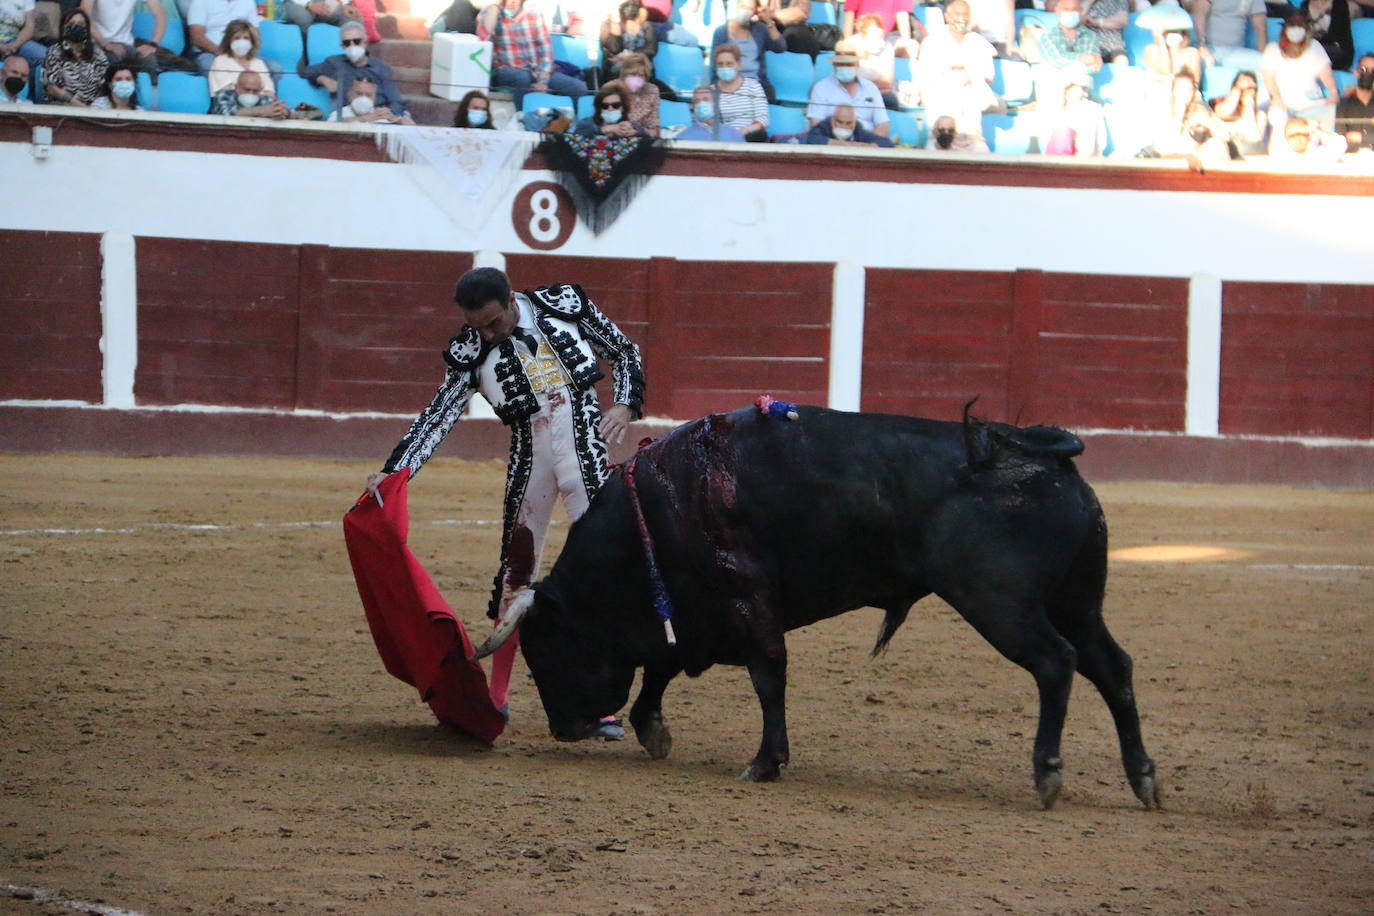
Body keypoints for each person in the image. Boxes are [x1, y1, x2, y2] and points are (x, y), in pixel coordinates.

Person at [366, 267, 645, 732]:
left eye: (494, 322)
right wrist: (396, 471)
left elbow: (624, 350)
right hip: (529, 454)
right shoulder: (470, 349)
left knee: (602, 573)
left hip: (585, 444)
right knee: (516, 572)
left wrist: (624, 403)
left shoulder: (563, 304)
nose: (488, 334)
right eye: (478, 327)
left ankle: (600, 702)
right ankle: (497, 695)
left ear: (512, 298)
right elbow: (439, 415)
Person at [477, 0, 587, 108]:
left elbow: (545, 50)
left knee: (578, 88)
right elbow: (484, 39)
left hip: (536, 70)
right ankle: (521, 116)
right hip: (506, 69)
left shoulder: (534, 14)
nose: (512, 2)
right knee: (522, 78)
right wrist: (495, 8)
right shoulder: (490, 12)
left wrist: (542, 81)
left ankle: (571, 122)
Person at [917, 0, 1000, 139]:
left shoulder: (978, 42)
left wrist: (964, 72)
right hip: (939, 93)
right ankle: (942, 141)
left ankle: (972, 141)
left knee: (970, 96)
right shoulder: (932, 41)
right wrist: (958, 71)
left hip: (970, 93)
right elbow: (927, 75)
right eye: (957, 13)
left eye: (965, 14)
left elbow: (988, 76)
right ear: (947, 17)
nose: (962, 17)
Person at [300, 20, 408, 120]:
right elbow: (305, 71)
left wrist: (388, 112)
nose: (352, 46)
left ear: (365, 42)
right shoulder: (334, 62)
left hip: (377, 116)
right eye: (347, 43)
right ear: (342, 46)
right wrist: (322, 79)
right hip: (347, 117)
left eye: (356, 41)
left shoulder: (382, 68)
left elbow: (396, 101)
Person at [1261, 11, 1337, 130]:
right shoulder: (1272, 49)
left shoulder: (1314, 46)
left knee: (1331, 108)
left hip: (1312, 104)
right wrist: (1275, 96)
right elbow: (1268, 77)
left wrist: (1333, 91)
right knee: (1276, 114)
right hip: (1284, 105)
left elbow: (1326, 74)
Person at [806, 41, 889, 137]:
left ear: (857, 65)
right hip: (832, 141)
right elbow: (816, 124)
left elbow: (883, 124)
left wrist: (871, 145)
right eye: (841, 64)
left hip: (867, 141)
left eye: (849, 64)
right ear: (834, 65)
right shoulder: (821, 88)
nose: (845, 68)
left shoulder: (871, 88)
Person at [1035, 0, 1102, 116]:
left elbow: (1094, 67)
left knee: (1078, 95)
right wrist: (1082, 59)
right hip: (1054, 89)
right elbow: (1057, 59)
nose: (1070, 13)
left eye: (1074, 10)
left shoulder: (1091, 36)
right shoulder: (1048, 36)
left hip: (1080, 89)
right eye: (1066, 9)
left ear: (1080, 11)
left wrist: (1079, 65)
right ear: (1057, 11)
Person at [711, 0, 785, 101]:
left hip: (756, 83)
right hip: (729, 82)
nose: (745, 11)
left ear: (755, 12)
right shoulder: (721, 32)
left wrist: (768, 22)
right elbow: (714, 65)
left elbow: (780, 47)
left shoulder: (759, 29)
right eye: (743, 6)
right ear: (736, 6)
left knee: (769, 93)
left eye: (749, 9)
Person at [82, 0, 165, 83]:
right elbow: (84, 16)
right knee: (113, 61)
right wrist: (105, 44)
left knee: (149, 60)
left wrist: (153, 44)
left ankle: (146, 94)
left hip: (127, 44)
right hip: (99, 42)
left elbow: (160, 15)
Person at [42, 8, 111, 106]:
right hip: (61, 106)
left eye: (81, 24)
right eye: (72, 23)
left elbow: (102, 86)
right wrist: (79, 106)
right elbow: (51, 88)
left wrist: (93, 107)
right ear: (63, 27)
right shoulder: (54, 52)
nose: (76, 27)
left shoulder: (98, 53)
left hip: (92, 108)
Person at [711, 41, 770, 140]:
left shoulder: (753, 86)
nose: (724, 67)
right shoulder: (711, 91)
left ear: (738, 64)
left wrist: (744, 131)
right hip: (724, 138)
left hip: (751, 136)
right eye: (720, 64)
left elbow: (763, 118)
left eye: (729, 64)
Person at [187, 0, 260, 76]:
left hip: (242, 53)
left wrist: (245, 55)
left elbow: (255, 34)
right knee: (210, 66)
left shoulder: (248, 2)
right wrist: (225, 54)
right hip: (209, 53)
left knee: (271, 67)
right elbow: (197, 37)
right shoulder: (200, 2)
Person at [1191, 0, 1267, 69]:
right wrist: (1202, 47)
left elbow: (1260, 28)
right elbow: (1199, 15)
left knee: (1267, 64)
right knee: (1198, 62)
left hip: (1238, 52)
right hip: (1210, 48)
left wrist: (1264, 57)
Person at [1043, 74, 1107, 156]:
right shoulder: (1057, 111)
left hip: (1083, 158)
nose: (1075, 93)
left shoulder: (1090, 110)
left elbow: (1097, 143)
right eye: (1071, 90)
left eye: (1080, 89)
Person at [206, 19, 274, 96]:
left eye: (246, 38)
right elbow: (225, 92)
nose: (242, 42)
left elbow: (269, 92)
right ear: (229, 40)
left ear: (252, 41)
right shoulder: (220, 61)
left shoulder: (259, 63)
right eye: (237, 38)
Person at [1211, 69, 1268, 156]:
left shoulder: (1259, 115)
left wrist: (1249, 109)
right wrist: (1238, 89)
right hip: (1224, 152)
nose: (1244, 91)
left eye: (1250, 88)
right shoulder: (1219, 105)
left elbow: (1254, 139)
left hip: (1250, 154)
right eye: (1241, 88)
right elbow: (1225, 112)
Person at [600, 0, 657, 83]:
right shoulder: (608, 24)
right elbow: (614, 49)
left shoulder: (646, 25)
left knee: (667, 93)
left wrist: (628, 56)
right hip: (616, 73)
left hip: (641, 71)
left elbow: (652, 50)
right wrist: (615, 24)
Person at [328, 72, 415, 122]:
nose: (363, 98)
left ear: (374, 96)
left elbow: (413, 129)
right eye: (359, 93)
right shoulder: (339, 114)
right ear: (349, 94)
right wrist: (364, 118)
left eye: (368, 95)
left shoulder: (381, 114)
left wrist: (396, 118)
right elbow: (331, 126)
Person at [571, 80, 646, 136]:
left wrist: (635, 133)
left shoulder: (632, 125)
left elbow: (647, 139)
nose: (610, 109)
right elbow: (575, 137)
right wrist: (604, 129)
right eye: (605, 106)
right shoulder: (587, 123)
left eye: (616, 105)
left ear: (623, 107)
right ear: (599, 108)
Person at [613, 51, 661, 135]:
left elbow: (655, 131)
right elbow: (601, 125)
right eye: (632, 74)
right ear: (624, 74)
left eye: (641, 75)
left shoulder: (652, 90)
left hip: (641, 139)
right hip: (615, 139)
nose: (636, 79)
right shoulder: (612, 88)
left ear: (646, 77)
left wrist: (637, 132)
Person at [804, 100, 894, 145]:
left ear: (854, 123)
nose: (844, 126)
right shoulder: (823, 127)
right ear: (832, 120)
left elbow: (886, 143)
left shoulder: (858, 131)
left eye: (848, 123)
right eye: (840, 122)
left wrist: (867, 147)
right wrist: (844, 145)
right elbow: (811, 139)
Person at [677, 83, 747, 140]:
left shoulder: (733, 134)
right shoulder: (683, 137)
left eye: (705, 99)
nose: (701, 104)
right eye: (697, 101)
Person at [211, 67, 290, 116]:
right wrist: (261, 110)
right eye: (247, 90)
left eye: (255, 91)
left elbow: (275, 110)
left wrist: (283, 113)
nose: (251, 94)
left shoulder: (265, 99)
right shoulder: (223, 95)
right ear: (236, 87)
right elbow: (227, 114)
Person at [1335, 52, 1374, 151]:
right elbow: (1340, 138)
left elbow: (1350, 137)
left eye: (1373, 71)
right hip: (1351, 159)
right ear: (1356, 72)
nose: (1368, 74)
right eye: (1363, 69)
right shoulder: (1343, 103)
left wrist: (1360, 137)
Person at [0, 0, 49, 76]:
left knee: (48, 58)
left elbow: (29, 26)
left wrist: (14, 46)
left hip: (13, 41)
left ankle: (28, 84)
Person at [1304, 0, 1354, 72]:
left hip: (1336, 48)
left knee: (1310, 52)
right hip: (1314, 47)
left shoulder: (1339, 4)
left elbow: (1335, 34)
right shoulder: (1305, 5)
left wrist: (1314, 42)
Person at [1268, 114, 1345, 160]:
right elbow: (1277, 124)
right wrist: (1296, 129)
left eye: (1301, 134)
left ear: (1308, 135)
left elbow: (1340, 144)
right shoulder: (1281, 155)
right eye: (1293, 136)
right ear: (1286, 138)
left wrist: (1315, 130)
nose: (1297, 139)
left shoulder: (1319, 154)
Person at [282, 0, 361, 32]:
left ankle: (350, 62)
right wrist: (309, 4)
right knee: (302, 17)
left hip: (325, 1)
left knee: (352, 17)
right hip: (298, 2)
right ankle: (303, 60)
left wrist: (343, 4)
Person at [924, 112, 990, 150]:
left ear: (955, 133)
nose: (946, 133)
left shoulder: (961, 148)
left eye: (951, 131)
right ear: (935, 132)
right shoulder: (930, 147)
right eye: (942, 130)